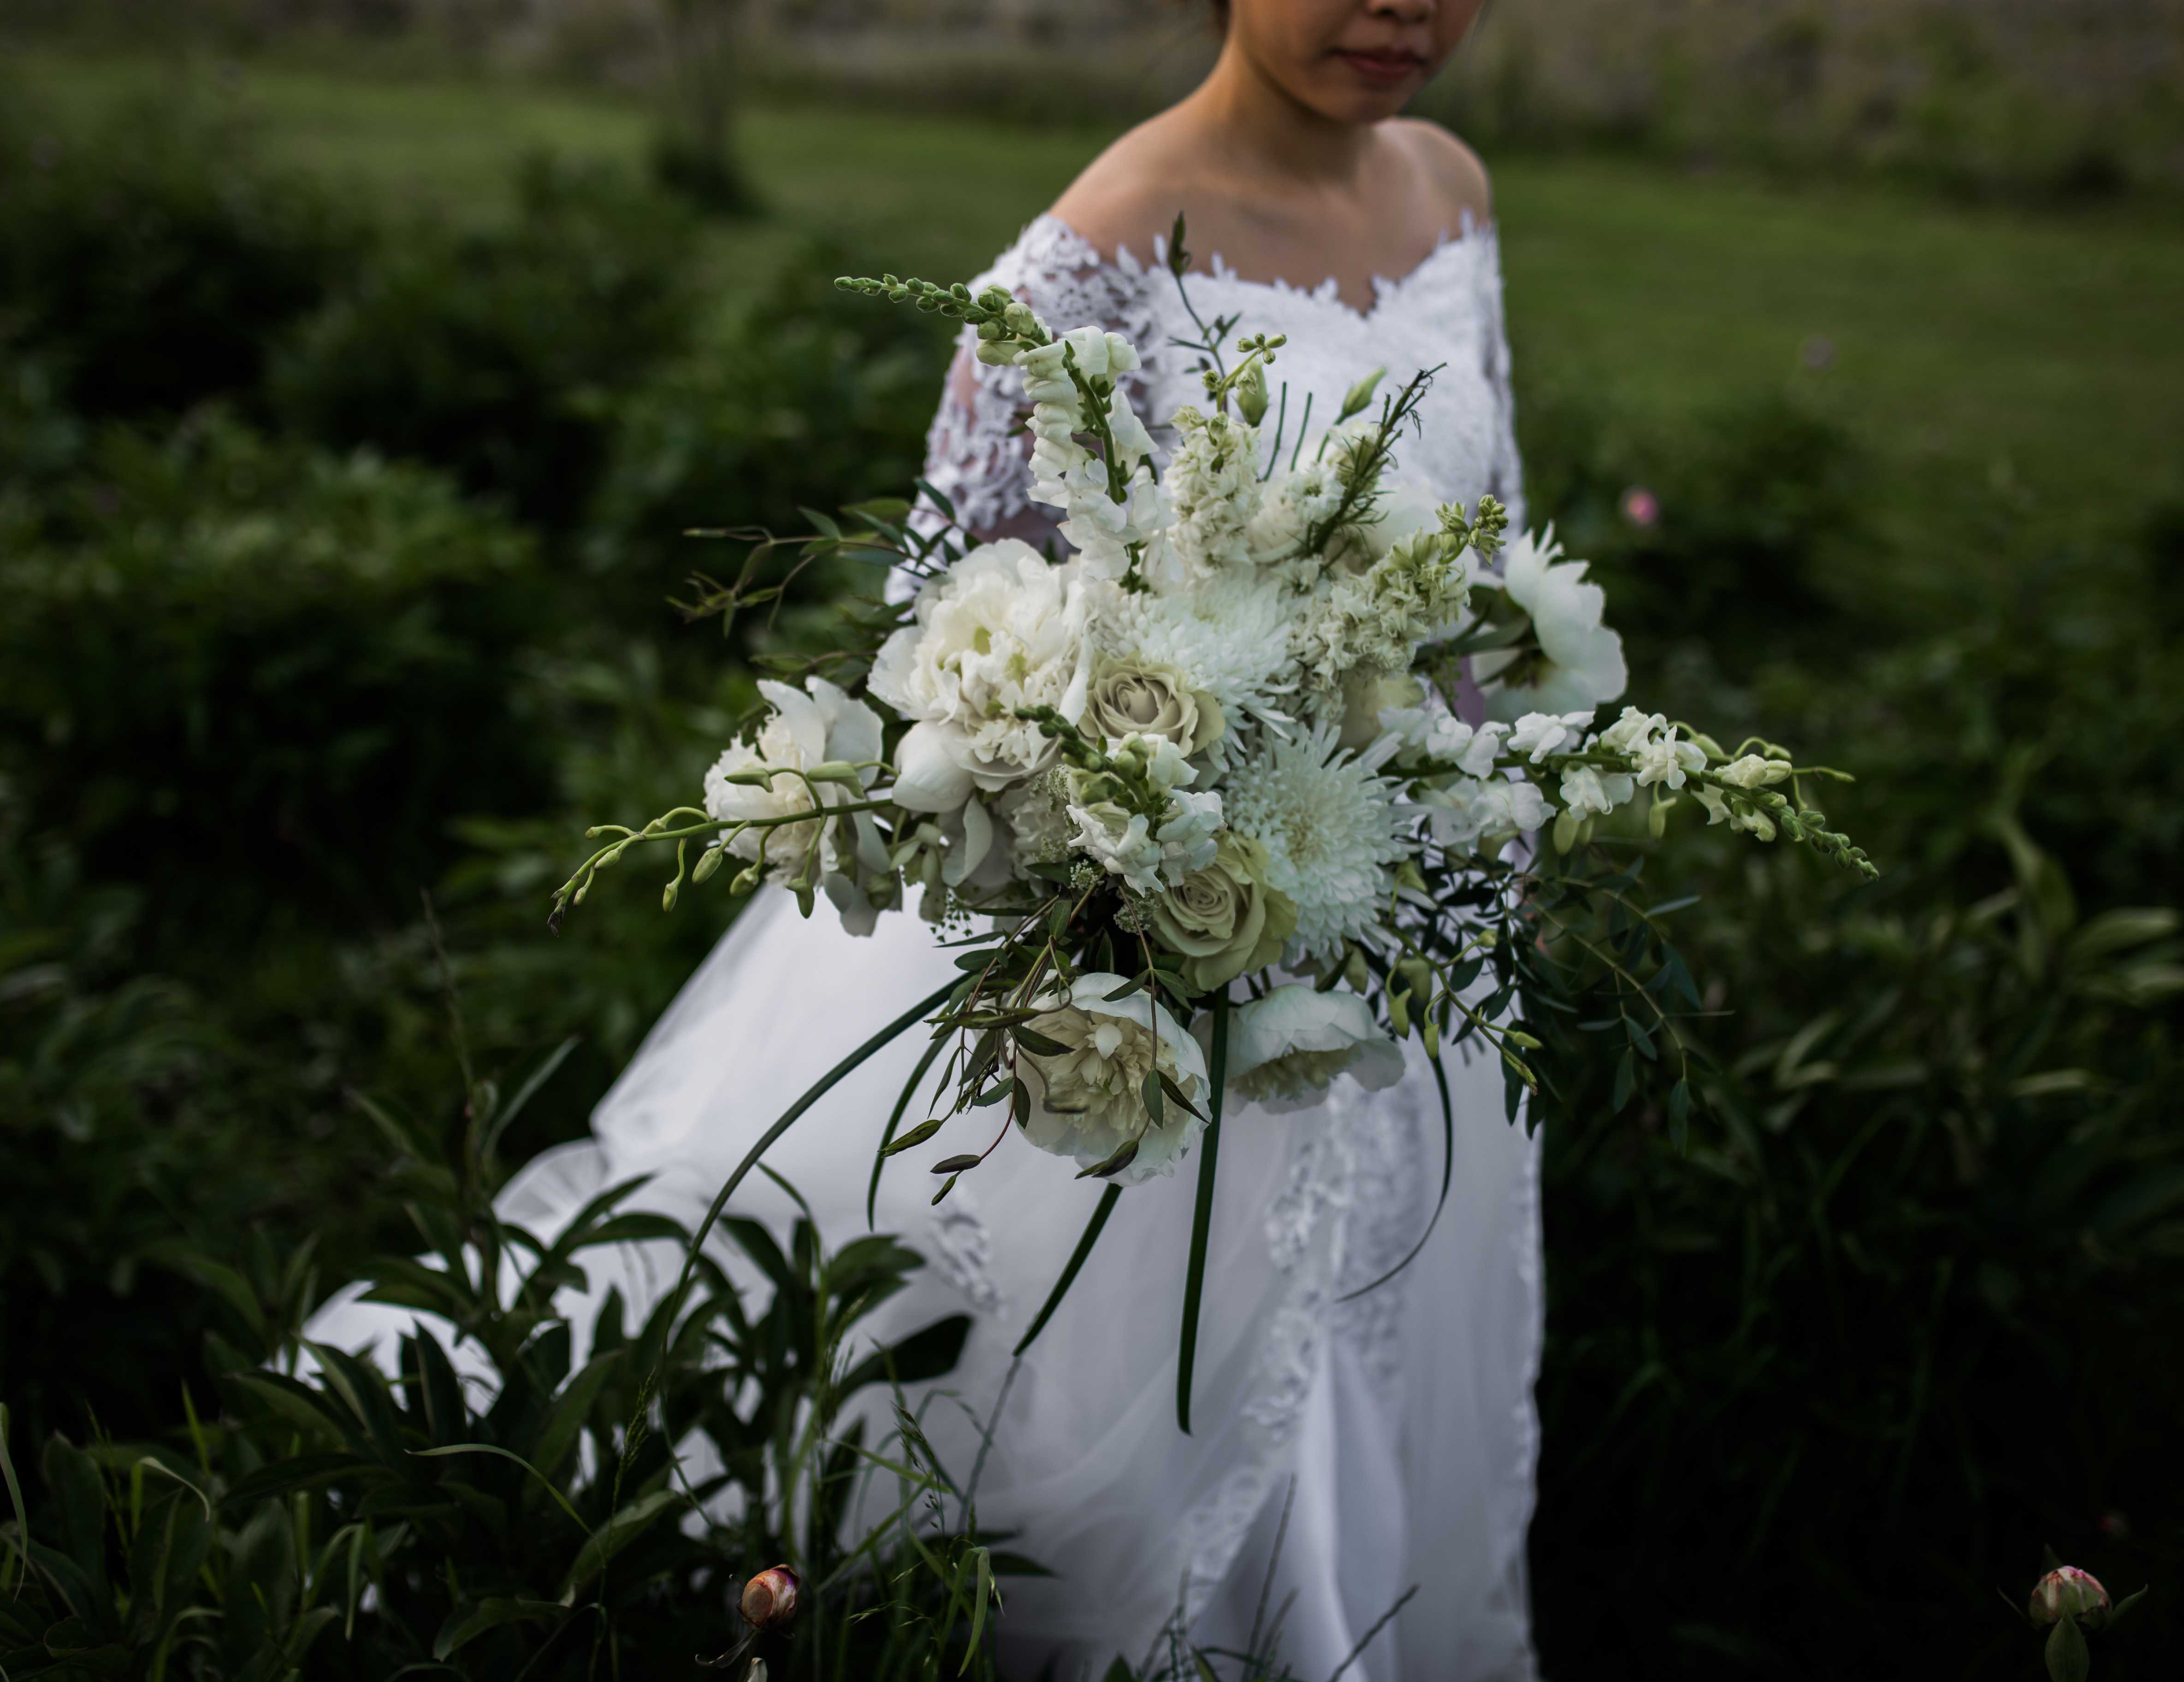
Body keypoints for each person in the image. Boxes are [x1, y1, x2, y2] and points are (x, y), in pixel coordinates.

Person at [311, 1, 1540, 1674]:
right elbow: (966, 667)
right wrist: (1162, 855)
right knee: (1104, 1434)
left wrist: (1486, 833)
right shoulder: (1102, 250)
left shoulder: (1450, 187)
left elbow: (1479, 571)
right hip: (1158, 966)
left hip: (1399, 938)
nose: (1404, 7)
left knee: (1366, 1359)